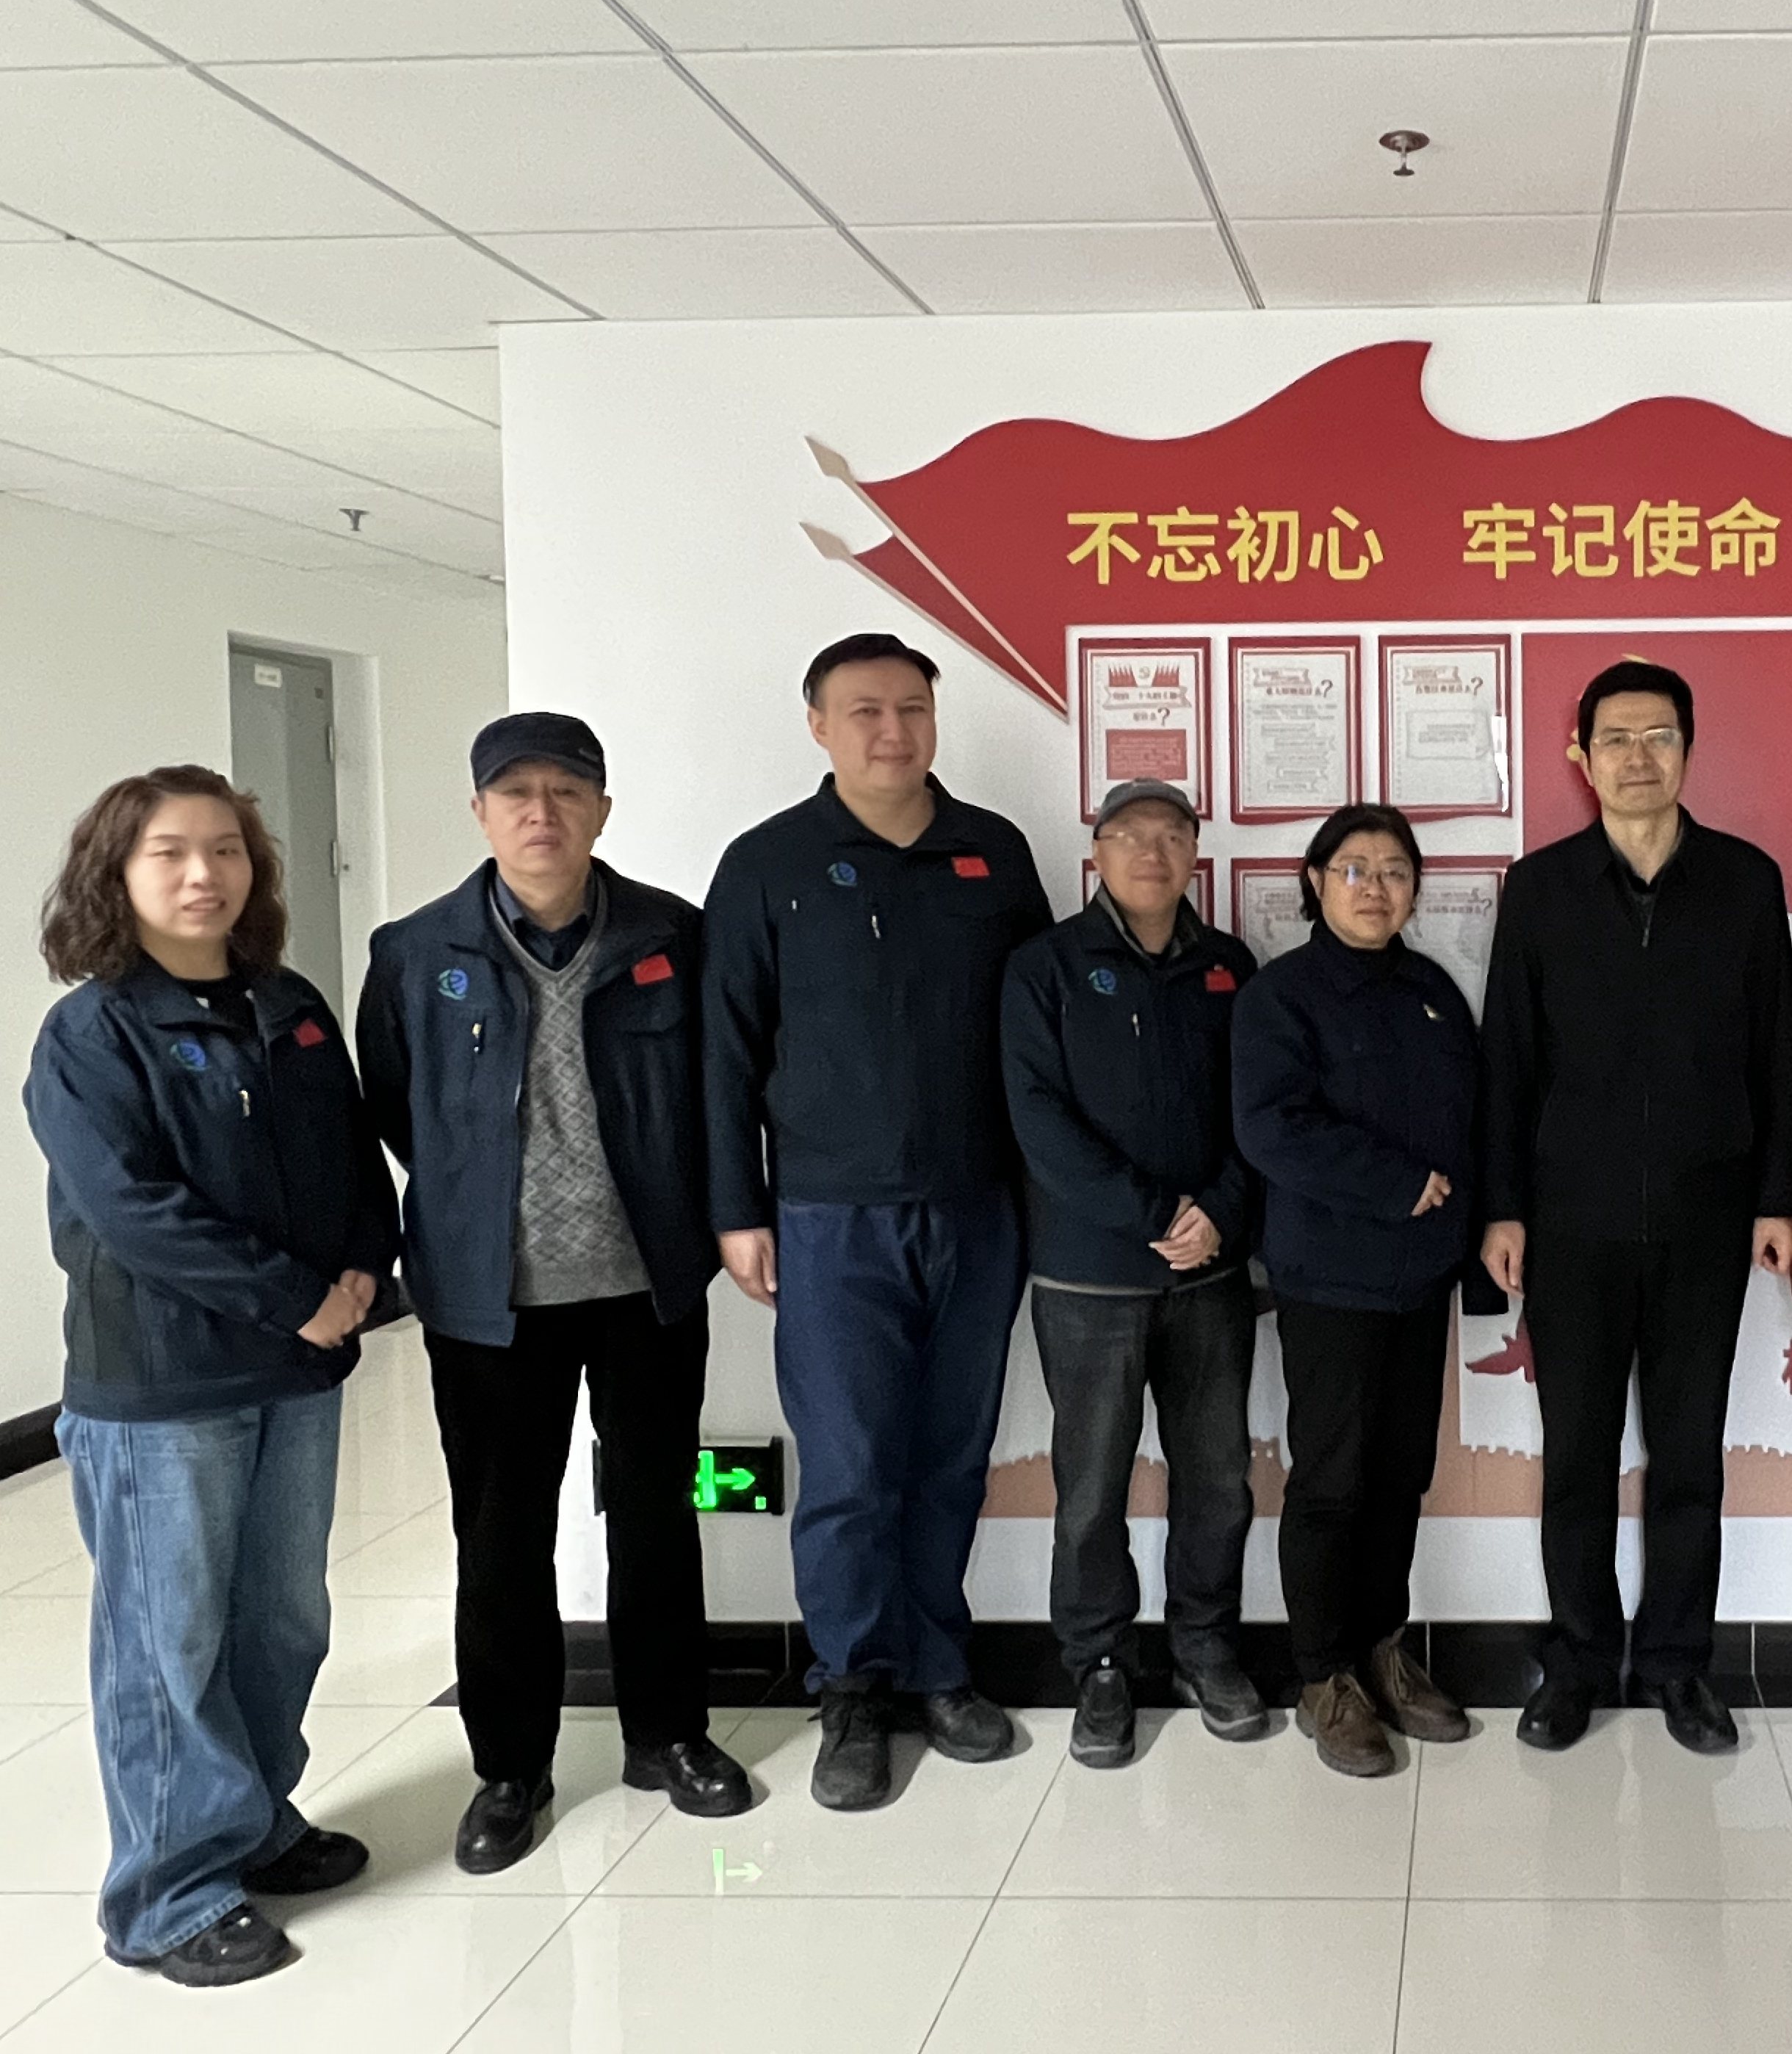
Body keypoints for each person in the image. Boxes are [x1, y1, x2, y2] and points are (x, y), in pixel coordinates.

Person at [355, 713, 751, 1873]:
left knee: (659, 1513)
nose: (543, 813)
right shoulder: (414, 952)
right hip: (491, 1297)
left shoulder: (674, 935)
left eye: (568, 791)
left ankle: (668, 1735)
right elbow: (397, 1105)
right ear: (480, 811)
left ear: (603, 810)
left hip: (646, 1282)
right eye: (516, 793)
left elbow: (717, 1093)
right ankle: (510, 1768)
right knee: (500, 1535)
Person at [23, 768, 396, 1987]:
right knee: (166, 1639)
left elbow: (351, 1155)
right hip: (163, 1386)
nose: (204, 874)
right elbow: (133, 1210)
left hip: (296, 1372)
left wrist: (366, 1265)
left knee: (281, 1619)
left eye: (226, 849)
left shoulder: (288, 1005)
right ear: (117, 875)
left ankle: (254, 1823)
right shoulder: (92, 1033)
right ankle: (168, 1894)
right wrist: (299, 1296)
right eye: (171, 853)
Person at [701, 633, 1052, 1812]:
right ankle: (854, 1686)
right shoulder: (768, 863)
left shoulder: (994, 854)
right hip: (826, 1218)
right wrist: (735, 1209)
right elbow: (723, 1051)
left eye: (911, 708)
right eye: (864, 711)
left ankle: (941, 1668)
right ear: (819, 726)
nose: (892, 731)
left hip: (978, 1210)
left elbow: (1040, 1036)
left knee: (951, 1456)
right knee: (850, 1467)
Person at [1478, 660, 1792, 1755]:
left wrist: (1781, 1194)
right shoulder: (1540, 888)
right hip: (1569, 1224)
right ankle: (1577, 1662)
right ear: (1581, 757)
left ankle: (1677, 1664)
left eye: (1658, 736)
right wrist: (1503, 1207)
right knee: (1575, 1457)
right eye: (1614, 738)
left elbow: (1777, 1051)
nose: (1637, 757)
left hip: (1707, 1215)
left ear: (1687, 750)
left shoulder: (1745, 881)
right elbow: (1508, 1059)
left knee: (1688, 1457)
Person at [1003, 779, 1267, 1770]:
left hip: (1212, 1276)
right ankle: (1101, 1665)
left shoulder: (1230, 968)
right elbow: (1038, 1121)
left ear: (1195, 852)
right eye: (1129, 835)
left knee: (1220, 1480)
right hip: (1090, 1279)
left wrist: (1221, 1212)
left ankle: (1206, 1646)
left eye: (1171, 835)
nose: (1152, 852)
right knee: (1090, 1490)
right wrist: (1156, 1215)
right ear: (1098, 854)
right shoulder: (1045, 968)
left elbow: (1260, 1110)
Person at [1233, 804, 1482, 1777]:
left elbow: (1471, 1123)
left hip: (1421, 1278)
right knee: (1332, 1480)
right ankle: (1323, 1676)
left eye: (1393, 871)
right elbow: (1271, 1128)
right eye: (1354, 869)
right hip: (1329, 1277)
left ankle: (1382, 1650)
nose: (1375, 888)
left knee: (1400, 1474)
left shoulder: (1433, 992)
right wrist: (1395, 1184)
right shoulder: (1282, 997)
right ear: (1315, 882)